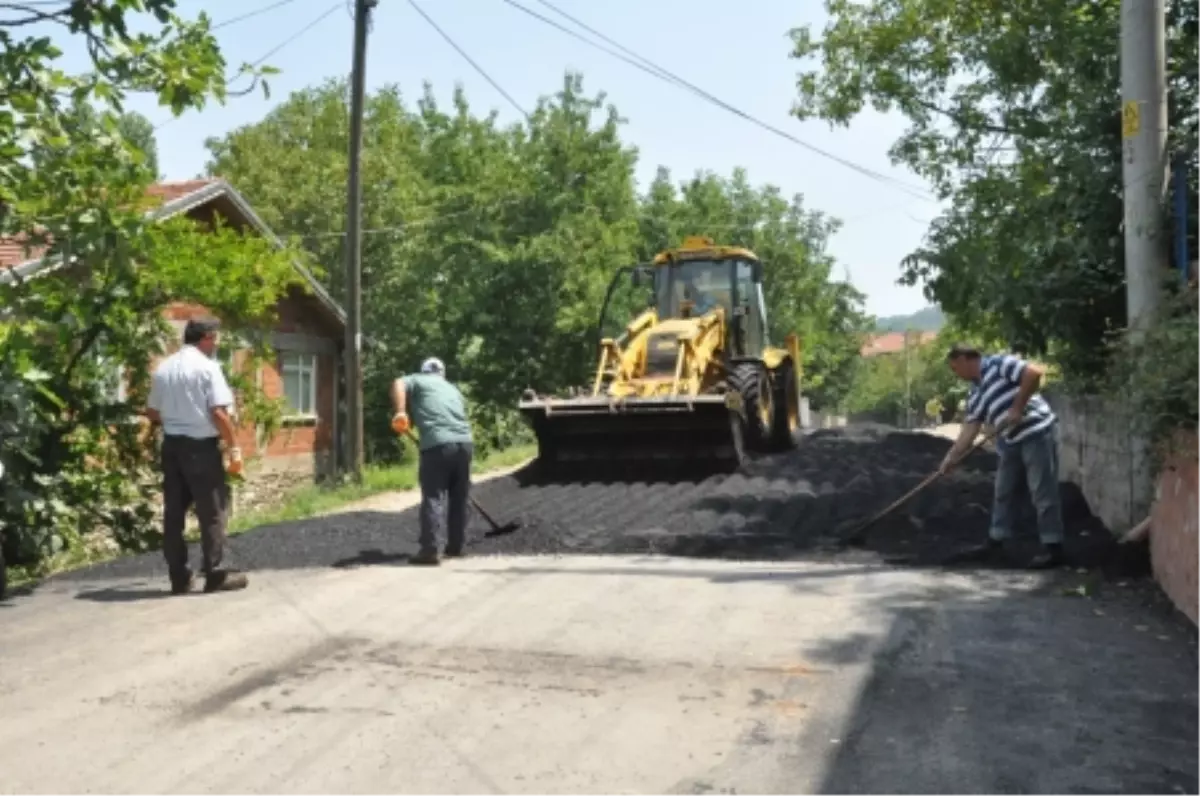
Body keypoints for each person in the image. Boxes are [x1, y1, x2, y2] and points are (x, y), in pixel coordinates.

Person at [145, 318, 248, 594]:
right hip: (201, 448)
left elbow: (153, 412)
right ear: (204, 338)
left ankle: (178, 577)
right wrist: (234, 447)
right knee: (212, 511)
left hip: (172, 447)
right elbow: (218, 413)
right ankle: (215, 573)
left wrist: (175, 417)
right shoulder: (208, 368)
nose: (216, 345)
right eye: (214, 339)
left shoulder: (163, 369)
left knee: (174, 513)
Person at [939, 344, 1065, 569]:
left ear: (966, 359)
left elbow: (1033, 373)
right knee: (1003, 491)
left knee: (1041, 490)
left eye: (955, 367)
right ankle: (997, 541)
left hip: (1035, 432)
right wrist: (951, 458)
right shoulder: (976, 391)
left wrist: (1017, 408)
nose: (955, 373)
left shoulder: (998, 364)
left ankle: (1053, 546)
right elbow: (970, 427)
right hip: (1009, 440)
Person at [390, 357, 474, 565]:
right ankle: (456, 547)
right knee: (459, 497)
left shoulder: (418, 380)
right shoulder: (452, 389)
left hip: (437, 445)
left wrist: (400, 412)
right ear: (442, 373)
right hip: (465, 444)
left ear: (424, 370)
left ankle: (430, 550)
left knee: (433, 496)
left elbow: (398, 383)